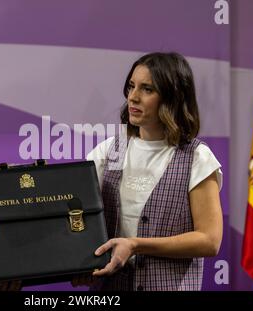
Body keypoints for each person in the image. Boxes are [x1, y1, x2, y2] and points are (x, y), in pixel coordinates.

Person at [86, 52, 223, 291]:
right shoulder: (107, 152)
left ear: (172, 98)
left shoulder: (197, 158)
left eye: (147, 89)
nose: (133, 97)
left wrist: (135, 244)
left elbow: (209, 240)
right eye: (131, 87)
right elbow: (78, 222)